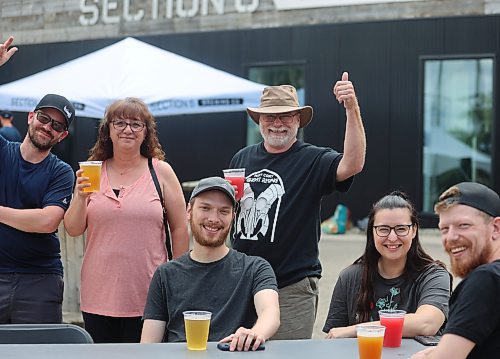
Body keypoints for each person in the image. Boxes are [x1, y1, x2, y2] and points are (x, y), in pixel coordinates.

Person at [229, 72, 366, 339]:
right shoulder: (241, 158)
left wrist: (352, 108)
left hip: (290, 288)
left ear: (298, 121)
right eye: (270, 116)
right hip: (242, 284)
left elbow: (353, 164)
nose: (277, 123)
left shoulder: (313, 159)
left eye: (286, 116)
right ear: (259, 120)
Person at [64, 97, 189, 343]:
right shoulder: (93, 172)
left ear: (146, 133)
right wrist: (80, 197)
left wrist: (178, 276)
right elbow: (73, 228)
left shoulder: (160, 171)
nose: (127, 130)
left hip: (149, 296)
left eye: (136, 124)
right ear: (108, 130)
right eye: (119, 123)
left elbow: (179, 228)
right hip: (98, 295)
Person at [141, 177, 280, 351]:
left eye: (223, 211)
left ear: (233, 217)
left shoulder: (255, 268)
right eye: (205, 208)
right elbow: (148, 345)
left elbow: (270, 313)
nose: (213, 218)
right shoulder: (165, 274)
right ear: (189, 211)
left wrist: (255, 333)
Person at [323, 191, 451, 338]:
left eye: (401, 229)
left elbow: (427, 324)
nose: (392, 237)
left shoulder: (434, 276)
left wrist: (357, 330)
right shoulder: (350, 278)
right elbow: (334, 339)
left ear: (414, 230)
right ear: (372, 232)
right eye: (383, 229)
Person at [0, 93, 75, 323]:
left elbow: (47, 222)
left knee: (40, 352)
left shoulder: (62, 172)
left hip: (40, 279)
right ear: (31, 117)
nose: (47, 127)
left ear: (62, 135)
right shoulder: (3, 151)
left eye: (57, 125)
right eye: (43, 117)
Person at [411, 182, 500, 359]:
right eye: (444, 228)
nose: (451, 237)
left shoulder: (485, 280)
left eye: (464, 225)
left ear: (496, 228)